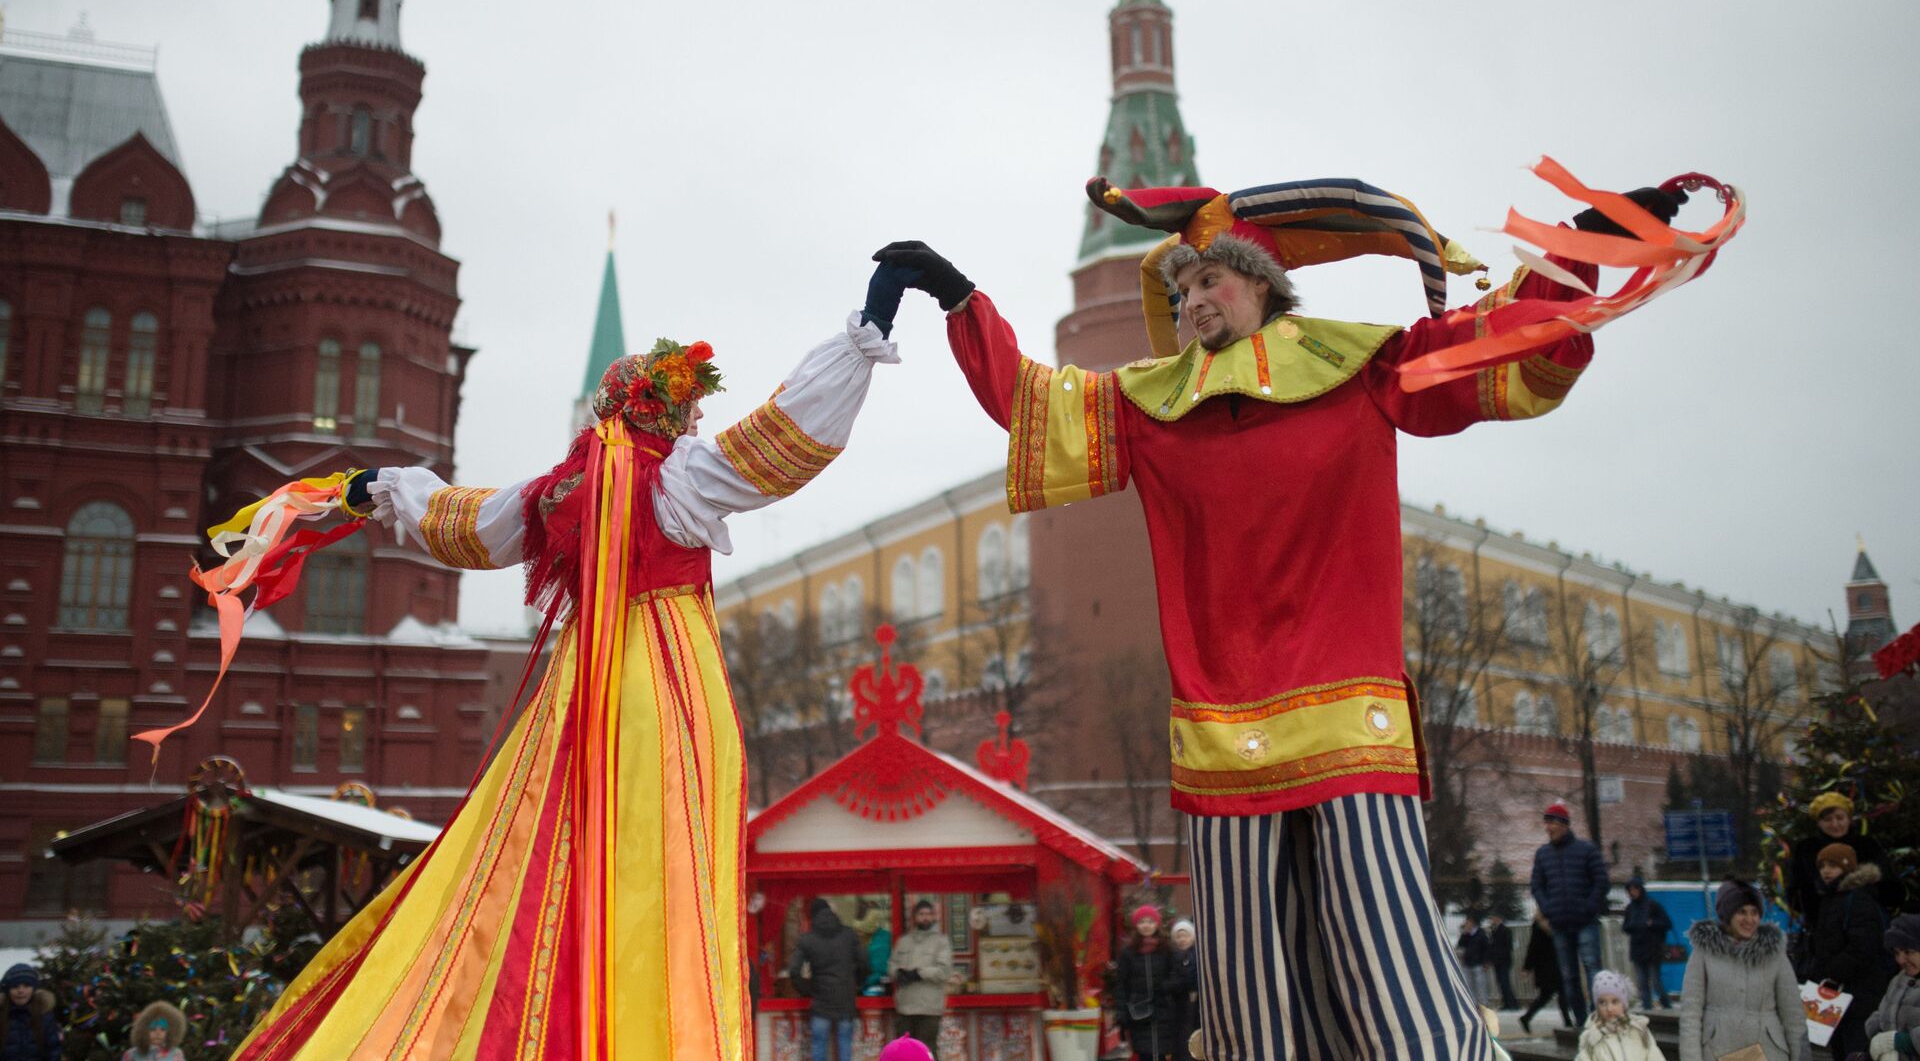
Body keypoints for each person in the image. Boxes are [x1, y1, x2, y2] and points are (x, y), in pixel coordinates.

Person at [877, 162, 1720, 1060]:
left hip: (1348, 716)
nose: (1194, 297)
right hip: (1220, 727)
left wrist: (1585, 242)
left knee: (1387, 947)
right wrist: (961, 298)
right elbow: (1032, 403)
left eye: (1212, 278)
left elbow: (1493, 342)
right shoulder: (1153, 406)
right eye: (1185, 284)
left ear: (1264, 286)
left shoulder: (1364, 366)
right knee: (1246, 981)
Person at [231, 270, 910, 1060]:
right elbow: (783, 439)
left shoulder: (561, 490)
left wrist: (372, 486)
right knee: (664, 873)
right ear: (663, 410)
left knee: (538, 853)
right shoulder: (679, 478)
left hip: (582, 688)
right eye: (690, 410)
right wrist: (868, 329)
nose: (697, 423)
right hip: (667, 690)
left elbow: (465, 525)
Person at [1678, 879, 1805, 1061]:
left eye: (1755, 913)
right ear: (1727, 915)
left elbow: (1793, 1014)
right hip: (1719, 1050)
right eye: (1742, 912)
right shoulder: (1704, 953)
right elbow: (1690, 1013)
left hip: (1769, 1052)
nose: (1749, 919)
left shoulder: (1774, 953)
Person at [1808, 843, 1895, 1057]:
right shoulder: (1832, 898)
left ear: (1848, 867)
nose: (1826, 870)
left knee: (1855, 1051)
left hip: (1858, 996)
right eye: (1822, 865)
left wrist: (1831, 973)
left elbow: (1863, 946)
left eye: (1833, 865)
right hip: (1839, 998)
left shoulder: (1857, 899)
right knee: (1840, 1051)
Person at [1532, 800, 1611, 1023]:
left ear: (1564, 824)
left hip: (1585, 921)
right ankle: (1580, 1022)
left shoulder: (1586, 849)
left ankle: (1601, 1019)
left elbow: (1601, 881)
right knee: (1569, 977)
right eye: (1546, 823)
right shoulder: (1543, 854)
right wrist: (1548, 909)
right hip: (1559, 924)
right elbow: (1537, 885)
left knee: (1593, 970)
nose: (1548, 828)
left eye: (1552, 823)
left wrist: (1589, 907)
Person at [1789, 792, 1906, 929]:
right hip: (1824, 927)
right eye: (1828, 819)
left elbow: (1894, 890)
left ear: (1849, 819)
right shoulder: (1807, 849)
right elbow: (1795, 893)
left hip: (1867, 924)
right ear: (1819, 823)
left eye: (1840, 818)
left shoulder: (1867, 846)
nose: (1835, 824)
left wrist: (1866, 894)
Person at [791, 898, 868, 1061]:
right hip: (846, 1000)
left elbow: (794, 971)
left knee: (819, 1048)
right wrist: (857, 984)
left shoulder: (807, 939)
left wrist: (807, 991)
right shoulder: (849, 934)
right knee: (845, 1048)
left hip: (820, 1002)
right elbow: (864, 963)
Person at [1114, 906, 1187, 1060]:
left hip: (1164, 1011)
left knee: (1161, 1053)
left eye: (1150, 921)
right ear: (1136, 925)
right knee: (1144, 1053)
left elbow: (1179, 977)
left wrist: (1166, 987)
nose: (1146, 925)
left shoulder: (1167, 949)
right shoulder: (1128, 952)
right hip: (1138, 1012)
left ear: (1156, 924)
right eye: (1142, 922)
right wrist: (1121, 1012)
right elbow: (1121, 984)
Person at [888, 899, 954, 1051]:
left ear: (933, 917)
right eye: (921, 914)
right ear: (915, 917)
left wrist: (918, 973)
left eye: (928, 914)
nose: (925, 917)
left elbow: (944, 971)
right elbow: (891, 965)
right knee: (904, 1052)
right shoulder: (904, 941)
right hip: (905, 1007)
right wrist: (898, 973)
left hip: (929, 1008)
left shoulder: (941, 941)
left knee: (926, 1051)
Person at [1863, 913, 1920, 1061]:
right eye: (1896, 953)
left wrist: (1898, 1041)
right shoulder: (1899, 980)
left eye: (1908, 952)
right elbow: (1881, 1016)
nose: (1901, 960)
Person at [1574, 970, 1666, 1061]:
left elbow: (1655, 1056)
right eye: (1602, 1002)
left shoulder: (1639, 1031)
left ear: (1624, 1004)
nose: (1609, 1008)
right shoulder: (1591, 1038)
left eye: (1615, 1002)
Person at [1622, 878, 1675, 1010]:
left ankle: (1667, 1007)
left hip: (1653, 950)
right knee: (1643, 984)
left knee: (1656, 982)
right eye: (1630, 890)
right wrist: (1633, 926)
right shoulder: (1630, 908)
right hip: (1638, 950)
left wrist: (1652, 924)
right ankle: (1648, 1011)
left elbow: (1667, 923)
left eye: (1635, 889)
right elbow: (1625, 927)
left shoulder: (1652, 905)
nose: (1633, 893)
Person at [1519, 914, 1573, 1035]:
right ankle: (1567, 1021)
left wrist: (1527, 967)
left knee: (1547, 995)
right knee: (1558, 992)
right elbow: (1533, 947)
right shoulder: (1541, 926)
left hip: (1551, 964)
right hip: (1547, 966)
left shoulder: (1550, 922)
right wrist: (1527, 967)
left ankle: (1527, 1017)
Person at [2, 964, 60, 1061]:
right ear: (8, 990)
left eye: (26, 985)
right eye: (15, 986)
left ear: (33, 989)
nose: (21, 991)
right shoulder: (2, 1014)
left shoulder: (44, 1015)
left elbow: (53, 1049)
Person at [1168, 919, 1201, 1060]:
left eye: (1185, 936)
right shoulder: (1171, 957)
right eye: (1179, 936)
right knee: (1181, 1035)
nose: (1182, 940)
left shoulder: (1198, 955)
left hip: (1196, 1002)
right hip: (1178, 1002)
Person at [122, 1001, 187, 1061]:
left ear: (170, 1031)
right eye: (152, 1029)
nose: (157, 1033)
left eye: (163, 1029)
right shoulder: (131, 1055)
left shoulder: (176, 1053)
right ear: (143, 1031)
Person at [1459, 912, 1494, 1009]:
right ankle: (1473, 1004)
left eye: (1468, 922)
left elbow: (1487, 948)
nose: (1466, 923)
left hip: (1478, 963)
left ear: (1473, 922)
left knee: (1480, 985)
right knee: (1470, 985)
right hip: (1468, 963)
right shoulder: (1466, 934)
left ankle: (1484, 1004)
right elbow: (1461, 945)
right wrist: (1465, 934)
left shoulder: (1481, 934)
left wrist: (1486, 961)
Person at [1487, 913, 1519, 1011]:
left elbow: (1507, 946)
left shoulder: (1505, 931)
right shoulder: (1493, 931)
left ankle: (1511, 1003)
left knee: (1504, 982)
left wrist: (1499, 955)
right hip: (1498, 961)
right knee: (1502, 982)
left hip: (1503, 961)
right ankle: (1508, 1002)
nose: (1492, 921)